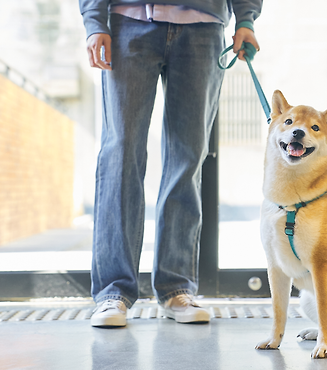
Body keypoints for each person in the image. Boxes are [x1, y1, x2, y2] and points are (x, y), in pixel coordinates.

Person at [78, 0, 262, 327]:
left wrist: (245, 18)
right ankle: (112, 291)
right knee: (120, 156)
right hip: (128, 22)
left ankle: (176, 287)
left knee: (187, 159)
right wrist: (95, 21)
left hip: (203, 28)